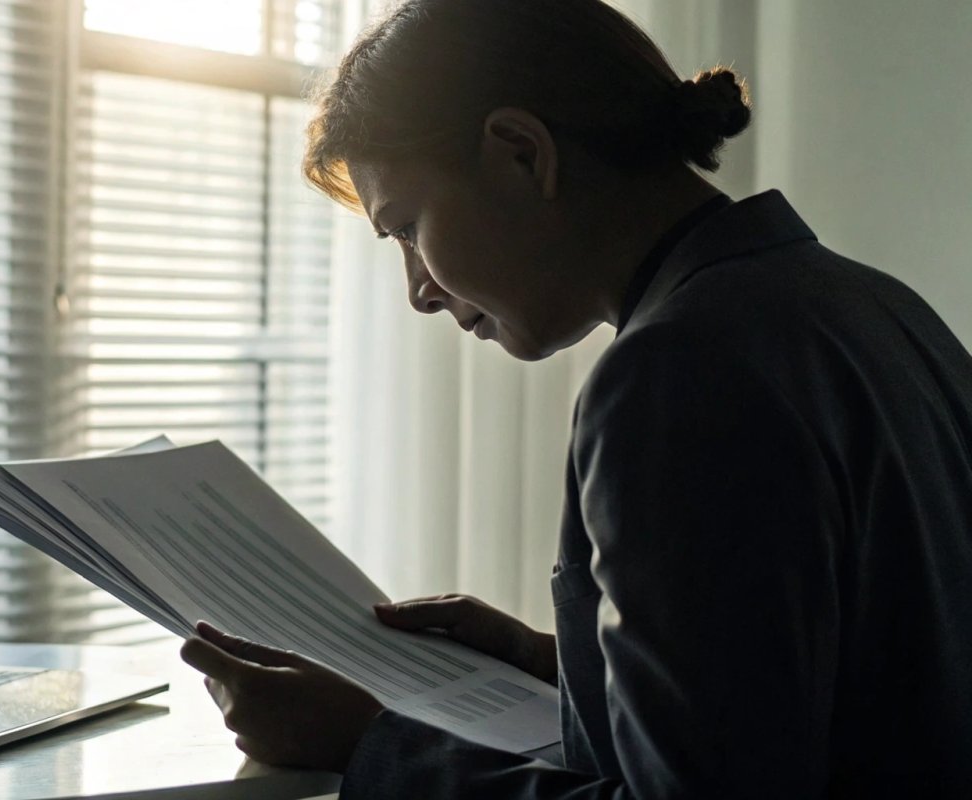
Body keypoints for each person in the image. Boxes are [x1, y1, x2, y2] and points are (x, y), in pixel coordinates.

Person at [178, 0, 972, 796]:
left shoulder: (676, 373)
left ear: (522, 153)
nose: (417, 292)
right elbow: (846, 690)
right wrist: (555, 662)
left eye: (409, 229)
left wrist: (368, 749)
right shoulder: (876, 307)